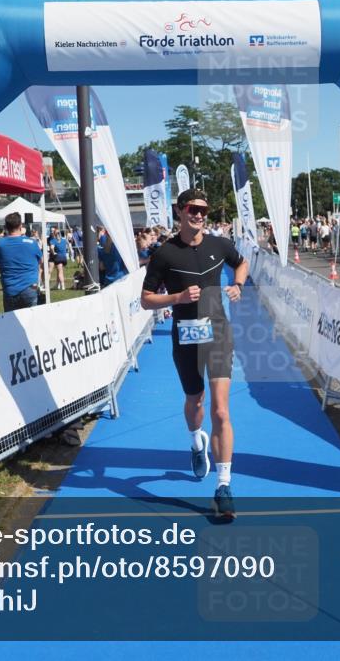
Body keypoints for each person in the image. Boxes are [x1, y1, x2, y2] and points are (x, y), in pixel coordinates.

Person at [140, 189, 249, 521]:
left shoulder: (219, 245)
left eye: (203, 209)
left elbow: (241, 263)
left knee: (220, 409)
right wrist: (177, 298)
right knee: (196, 403)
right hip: (186, 337)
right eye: (192, 209)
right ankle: (194, 441)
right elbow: (145, 299)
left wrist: (239, 286)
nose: (199, 214)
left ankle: (224, 486)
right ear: (180, 211)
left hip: (218, 332)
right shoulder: (165, 253)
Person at [0, 212, 43, 311]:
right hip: (29, 287)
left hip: (10, 289)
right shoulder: (32, 243)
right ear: (20, 226)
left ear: (6, 227)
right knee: (31, 322)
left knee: (12, 323)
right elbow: (40, 261)